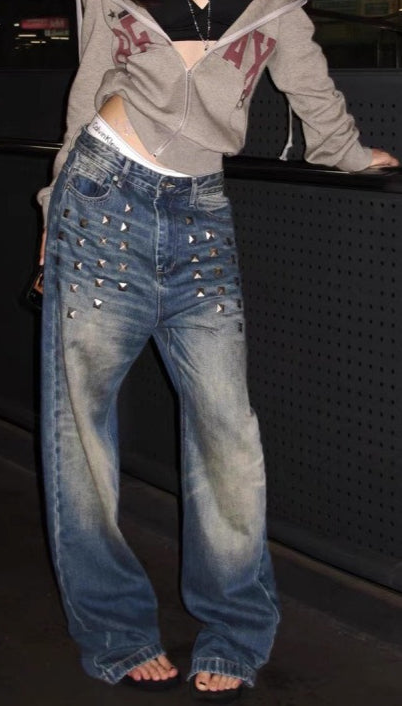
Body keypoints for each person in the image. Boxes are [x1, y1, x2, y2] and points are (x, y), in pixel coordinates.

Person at [37, 1, 398, 703]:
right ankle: (114, 629)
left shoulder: (276, 6)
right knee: (80, 436)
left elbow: (308, 81)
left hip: (200, 213)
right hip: (100, 199)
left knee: (229, 432)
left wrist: (345, 150)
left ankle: (236, 628)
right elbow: (88, 87)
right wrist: (57, 203)